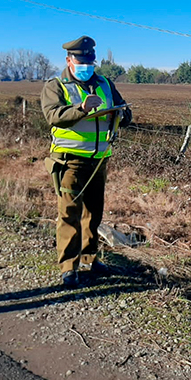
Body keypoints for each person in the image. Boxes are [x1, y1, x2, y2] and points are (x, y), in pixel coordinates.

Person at [41, 36, 132, 287]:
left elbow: (124, 110)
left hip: (100, 160)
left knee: (93, 214)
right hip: (69, 162)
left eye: (90, 62)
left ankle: (90, 260)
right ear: (69, 61)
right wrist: (81, 108)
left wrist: (123, 115)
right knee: (69, 214)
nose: (87, 66)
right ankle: (69, 268)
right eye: (81, 61)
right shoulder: (56, 85)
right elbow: (53, 115)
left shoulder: (105, 83)